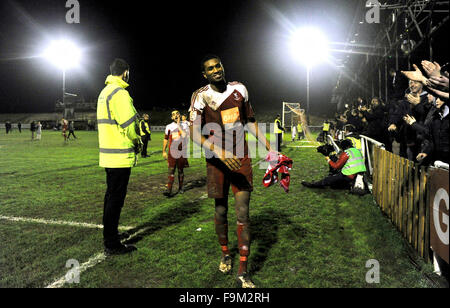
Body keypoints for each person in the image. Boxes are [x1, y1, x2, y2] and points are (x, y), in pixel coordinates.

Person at [189, 54, 278, 288]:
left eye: (218, 65)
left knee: (243, 212)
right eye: (210, 68)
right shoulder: (201, 96)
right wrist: (219, 152)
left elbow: (249, 120)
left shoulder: (240, 89)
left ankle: (243, 270)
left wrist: (268, 145)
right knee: (220, 210)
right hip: (216, 160)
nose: (216, 70)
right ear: (205, 74)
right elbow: (194, 134)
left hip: (241, 157)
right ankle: (225, 253)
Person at [97, 58, 142, 255]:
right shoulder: (120, 93)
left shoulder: (105, 92)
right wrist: (138, 141)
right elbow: (130, 126)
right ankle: (112, 243)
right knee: (116, 199)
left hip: (108, 154)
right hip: (119, 155)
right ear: (126, 72)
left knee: (110, 197)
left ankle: (111, 235)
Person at [302, 139, 366, 189]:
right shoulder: (357, 151)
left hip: (348, 174)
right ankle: (350, 185)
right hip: (360, 173)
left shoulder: (347, 152)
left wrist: (328, 159)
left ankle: (313, 185)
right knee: (335, 184)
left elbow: (336, 166)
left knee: (328, 180)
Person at [162, 110, 189, 196]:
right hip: (172, 152)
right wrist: (163, 151)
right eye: (173, 114)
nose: (175, 115)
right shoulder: (168, 126)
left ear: (180, 116)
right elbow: (165, 139)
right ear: (171, 117)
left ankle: (181, 188)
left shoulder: (185, 125)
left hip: (181, 152)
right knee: (171, 170)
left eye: (177, 114)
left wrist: (178, 125)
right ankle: (169, 189)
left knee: (180, 170)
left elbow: (184, 135)